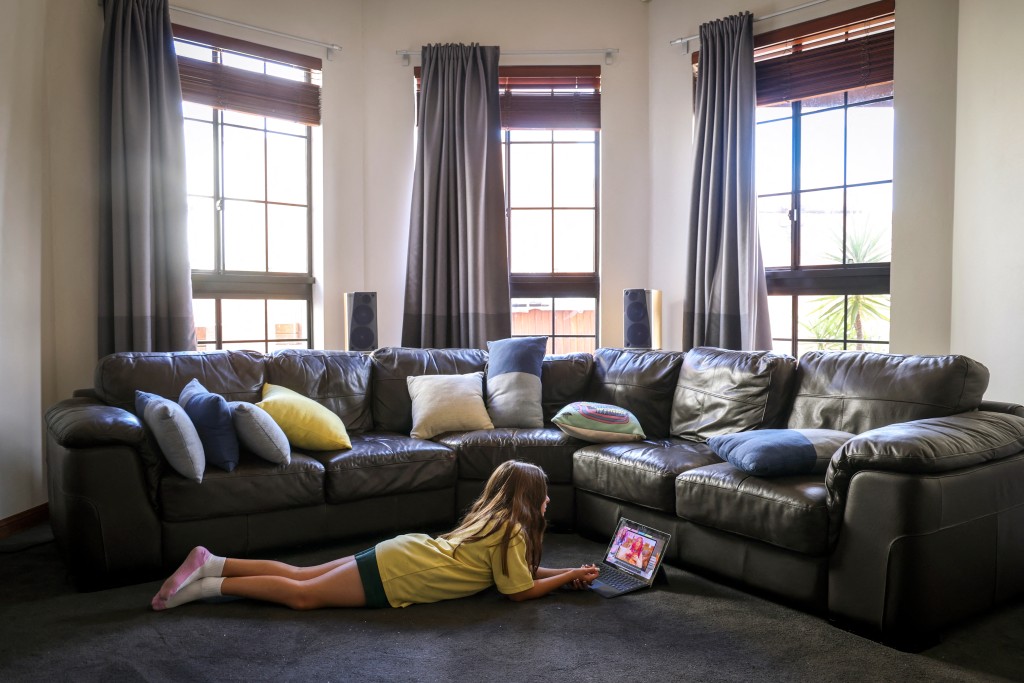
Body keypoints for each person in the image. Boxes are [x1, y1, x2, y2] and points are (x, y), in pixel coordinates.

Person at [151, 460, 600, 610]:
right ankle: (207, 587)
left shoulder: (496, 522)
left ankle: (212, 562)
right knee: (304, 596)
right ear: (528, 498)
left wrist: (570, 573)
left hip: (406, 551)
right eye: (543, 494)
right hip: (400, 574)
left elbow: (519, 573)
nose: (547, 500)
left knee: (301, 573)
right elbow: (517, 591)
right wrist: (566, 578)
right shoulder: (514, 532)